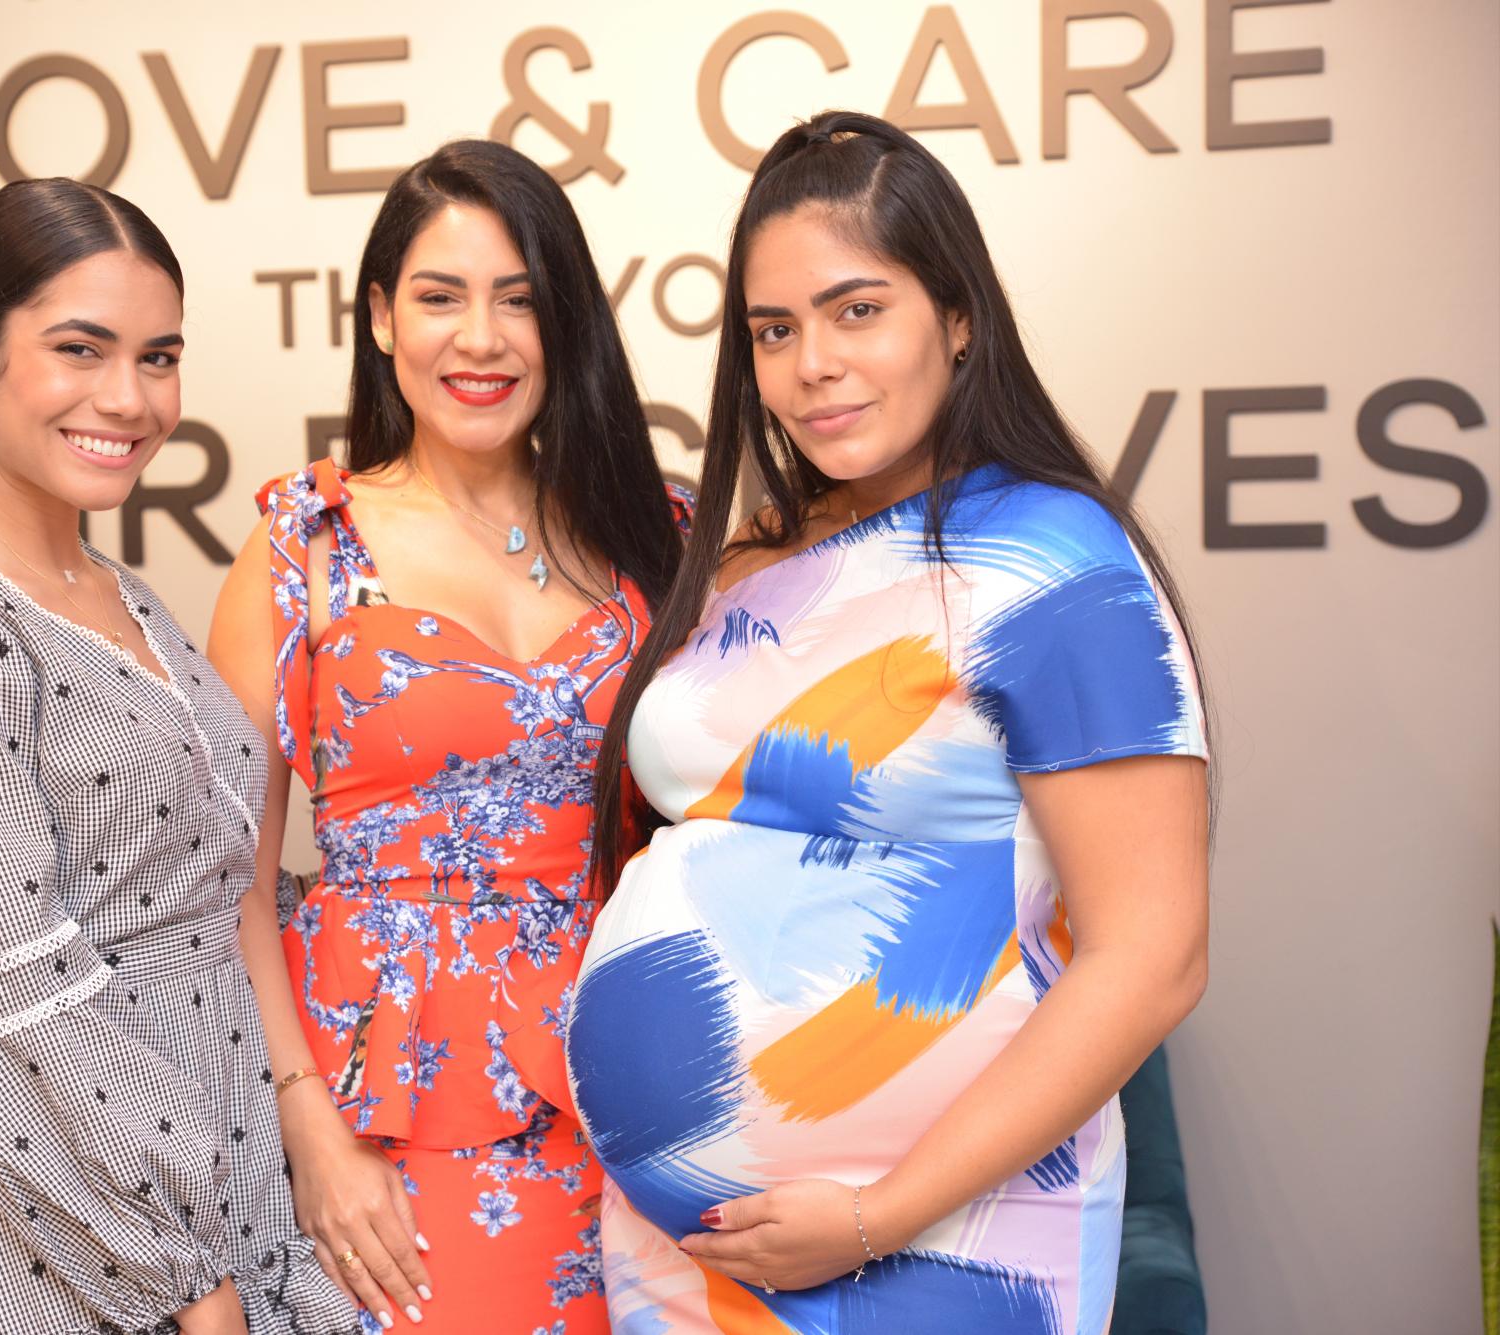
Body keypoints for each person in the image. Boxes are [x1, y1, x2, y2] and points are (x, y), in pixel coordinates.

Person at [565, 111, 1212, 1334]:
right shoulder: (747, 553)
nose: (811, 361)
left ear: (956, 318)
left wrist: (880, 1214)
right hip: (679, 1253)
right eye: (773, 328)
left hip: (946, 1235)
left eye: (856, 309)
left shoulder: (1052, 561)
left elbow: (1154, 953)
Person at [0, 177, 359, 1335]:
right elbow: (19, 1000)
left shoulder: (109, 588)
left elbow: (209, 887)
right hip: (61, 1225)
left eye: (157, 357)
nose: (129, 397)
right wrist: (184, 1281)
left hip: (213, 1170)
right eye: (80, 349)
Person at [207, 139, 690, 1335]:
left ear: (565, 324)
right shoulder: (304, 548)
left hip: (627, 1092)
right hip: (381, 1121)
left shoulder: (659, 533)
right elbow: (225, 882)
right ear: (379, 318)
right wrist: (302, 1119)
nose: (479, 338)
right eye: (439, 296)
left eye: (519, 300)